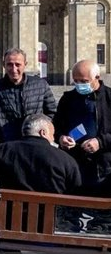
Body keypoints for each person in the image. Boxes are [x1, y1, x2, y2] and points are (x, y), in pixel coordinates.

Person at [0, 113, 81, 203]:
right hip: (51, 225)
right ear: (43, 132)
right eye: (52, 134)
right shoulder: (65, 160)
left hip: (10, 220)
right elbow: (75, 193)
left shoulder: (0, 151)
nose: (53, 138)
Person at [54, 60, 111, 196]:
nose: (79, 85)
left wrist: (100, 142)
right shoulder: (68, 99)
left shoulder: (109, 98)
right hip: (74, 164)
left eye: (84, 81)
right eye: (76, 81)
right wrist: (61, 138)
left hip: (104, 167)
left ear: (97, 78)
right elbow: (56, 126)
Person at [0, 48, 57, 143]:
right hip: (9, 142)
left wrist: (43, 131)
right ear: (4, 65)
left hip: (36, 142)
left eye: (18, 64)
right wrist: (0, 136)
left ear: (25, 64)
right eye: (9, 64)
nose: (14, 69)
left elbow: (52, 112)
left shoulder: (41, 85)